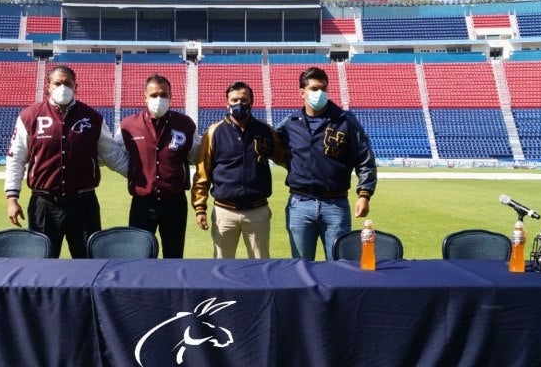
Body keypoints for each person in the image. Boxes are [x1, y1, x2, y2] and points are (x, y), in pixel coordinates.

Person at [5, 65, 128, 258]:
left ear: (76, 86)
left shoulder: (92, 118)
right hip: (43, 204)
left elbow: (113, 156)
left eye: (67, 83)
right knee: (41, 265)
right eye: (58, 83)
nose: (63, 87)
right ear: (48, 86)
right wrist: (12, 199)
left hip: (83, 204)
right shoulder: (29, 116)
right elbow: (16, 159)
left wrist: (141, 178)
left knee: (88, 264)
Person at [275, 66, 377, 261]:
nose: (319, 93)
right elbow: (269, 144)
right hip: (300, 205)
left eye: (323, 88)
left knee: (339, 266)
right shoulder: (290, 123)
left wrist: (365, 193)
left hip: (335, 205)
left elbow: (365, 158)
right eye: (314, 88)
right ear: (302, 93)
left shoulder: (345, 121)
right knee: (301, 266)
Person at [192, 81, 287, 258]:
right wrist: (200, 207)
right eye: (234, 100)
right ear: (227, 103)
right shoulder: (214, 132)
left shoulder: (265, 131)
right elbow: (202, 171)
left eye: (244, 100)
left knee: (261, 265)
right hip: (224, 212)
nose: (239, 104)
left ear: (252, 102)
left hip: (257, 211)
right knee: (222, 266)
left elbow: (285, 158)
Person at [116, 73, 198, 258]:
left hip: (175, 202)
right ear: (144, 97)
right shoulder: (128, 125)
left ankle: (171, 288)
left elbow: (195, 155)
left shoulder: (185, 124)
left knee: (174, 256)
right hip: (142, 204)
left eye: (163, 95)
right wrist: (134, 173)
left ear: (171, 96)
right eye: (153, 95)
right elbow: (116, 154)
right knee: (139, 257)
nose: (158, 99)